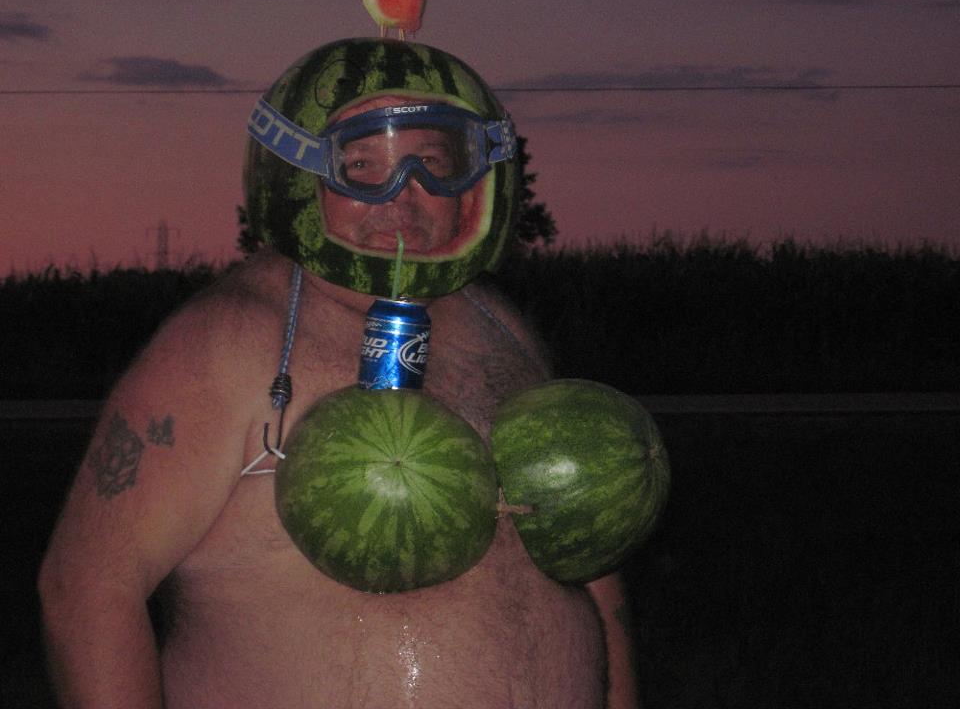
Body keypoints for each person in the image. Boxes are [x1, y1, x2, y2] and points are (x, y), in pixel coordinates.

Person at [38, 38, 638, 708]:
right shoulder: (227, 341)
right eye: (360, 166)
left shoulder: (502, 328)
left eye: (433, 164)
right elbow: (87, 589)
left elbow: (588, 556)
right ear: (298, 176)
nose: (402, 199)